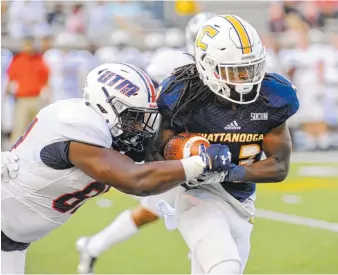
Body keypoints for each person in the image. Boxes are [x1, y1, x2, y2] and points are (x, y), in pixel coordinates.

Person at [0, 62, 231, 274]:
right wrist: (200, 162)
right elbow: (135, 180)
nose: (139, 127)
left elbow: (149, 158)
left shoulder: (105, 135)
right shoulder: (76, 124)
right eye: (132, 118)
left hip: (12, 242)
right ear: (104, 105)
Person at [146, 14, 299, 274]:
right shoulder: (180, 93)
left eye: (251, 67)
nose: (245, 77)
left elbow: (279, 167)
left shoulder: (273, 96)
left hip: (243, 201)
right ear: (207, 66)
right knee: (224, 266)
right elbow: (153, 157)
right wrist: (190, 161)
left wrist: (228, 171)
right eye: (234, 70)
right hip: (195, 193)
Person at [74, 12, 217, 274]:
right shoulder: (171, 61)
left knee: (153, 211)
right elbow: (144, 95)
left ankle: (92, 246)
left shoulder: (221, 69)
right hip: (167, 145)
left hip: (193, 143)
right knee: (198, 208)